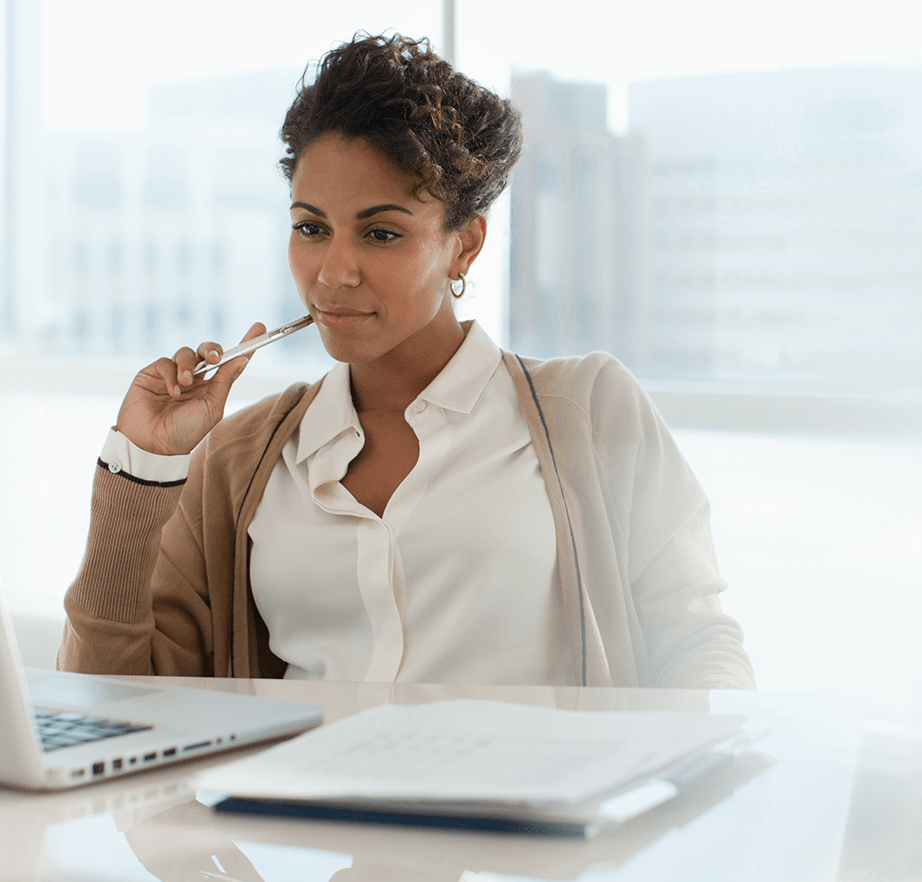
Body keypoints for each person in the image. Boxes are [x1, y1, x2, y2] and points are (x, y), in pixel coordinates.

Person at [57, 33, 754, 689]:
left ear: (464, 245)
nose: (333, 273)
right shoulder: (240, 461)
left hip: (522, 814)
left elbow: (699, 647)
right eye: (311, 228)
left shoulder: (591, 410)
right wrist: (143, 465)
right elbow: (114, 706)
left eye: (381, 233)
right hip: (297, 816)